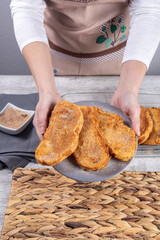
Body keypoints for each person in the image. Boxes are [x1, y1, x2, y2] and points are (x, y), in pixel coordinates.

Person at [10, 0, 160, 140]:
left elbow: (147, 9)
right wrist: (46, 91)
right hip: (53, 53)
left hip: (119, 54)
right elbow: (26, 7)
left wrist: (129, 89)